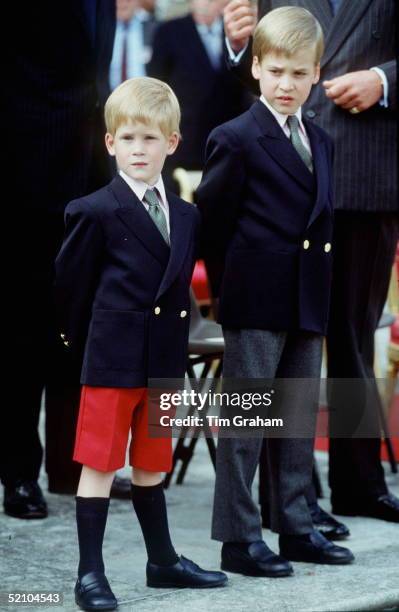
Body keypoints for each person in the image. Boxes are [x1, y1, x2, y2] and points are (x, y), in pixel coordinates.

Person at [55, 77, 228, 611]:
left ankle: (163, 562)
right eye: (127, 138)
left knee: (152, 463)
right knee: (100, 466)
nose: (138, 149)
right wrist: (81, 350)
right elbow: (70, 289)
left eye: (150, 139)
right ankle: (90, 574)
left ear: (172, 143)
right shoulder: (93, 210)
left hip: (162, 362)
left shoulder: (187, 214)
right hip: (111, 359)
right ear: (110, 143)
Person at [224, 0, 399, 525]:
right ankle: (289, 500)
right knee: (282, 345)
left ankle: (358, 484)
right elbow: (257, 61)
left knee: (351, 336)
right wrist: (237, 44)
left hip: (365, 177)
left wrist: (383, 80)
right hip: (284, 183)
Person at [197, 7, 354, 578]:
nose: (287, 85)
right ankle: (238, 539)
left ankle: (295, 526)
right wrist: (230, 292)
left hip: (306, 296)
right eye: (277, 71)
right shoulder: (235, 138)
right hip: (254, 299)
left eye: (300, 74)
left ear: (317, 74)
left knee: (293, 418)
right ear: (257, 67)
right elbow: (211, 223)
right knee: (245, 425)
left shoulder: (322, 140)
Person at [2, 0, 116, 519]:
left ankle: (72, 467)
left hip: (88, 176)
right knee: (22, 331)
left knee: (78, 325)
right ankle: (17, 473)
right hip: (25, 176)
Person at [148, 0, 252, 181]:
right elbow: (156, 89)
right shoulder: (168, 32)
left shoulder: (238, 34)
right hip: (182, 149)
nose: (205, 3)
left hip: (230, 148)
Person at [109, 0, 159, 90]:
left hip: (145, 96)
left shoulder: (154, 29)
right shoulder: (102, 29)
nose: (123, 4)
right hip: (108, 97)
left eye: (128, 0)